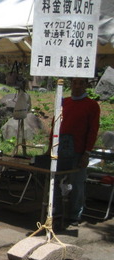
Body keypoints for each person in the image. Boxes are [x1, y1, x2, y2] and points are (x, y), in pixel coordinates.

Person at [49, 78, 100, 226]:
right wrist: (50, 146)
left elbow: (93, 130)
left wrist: (87, 153)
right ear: (71, 84)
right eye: (75, 83)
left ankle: (74, 215)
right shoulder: (64, 102)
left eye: (81, 83)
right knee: (55, 181)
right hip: (58, 149)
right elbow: (55, 125)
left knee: (77, 184)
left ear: (86, 85)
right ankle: (56, 211)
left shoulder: (92, 105)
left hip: (78, 151)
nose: (77, 86)